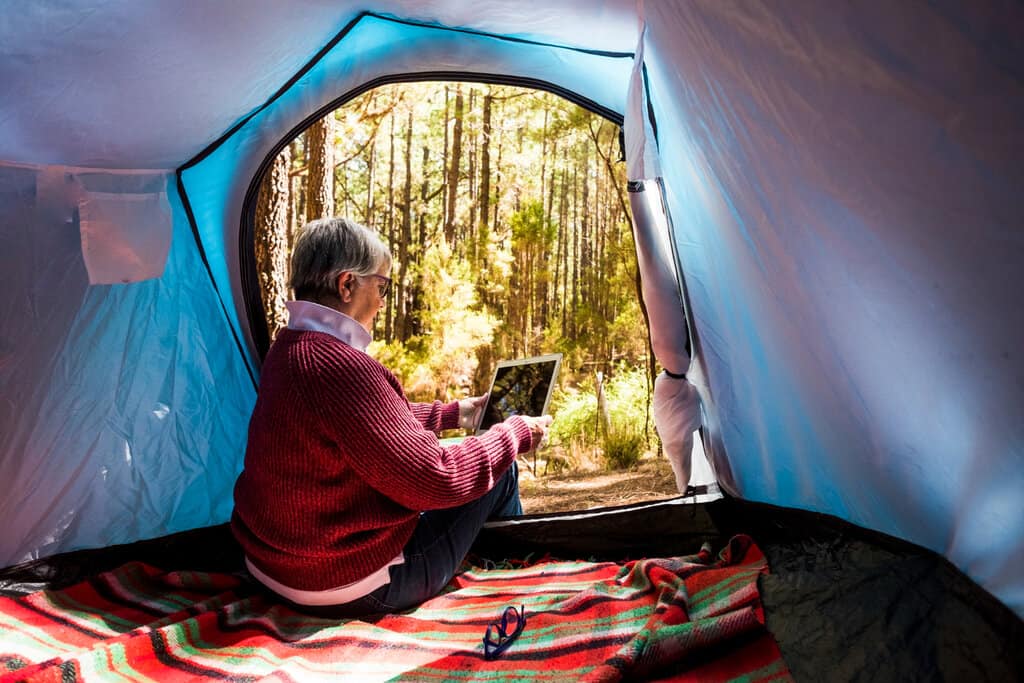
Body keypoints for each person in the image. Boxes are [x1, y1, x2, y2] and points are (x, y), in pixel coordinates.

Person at [231, 216, 551, 616]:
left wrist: (456, 414)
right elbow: (437, 478)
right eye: (381, 286)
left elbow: (363, 422)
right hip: (348, 586)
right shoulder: (342, 365)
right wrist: (515, 432)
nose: (383, 301)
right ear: (347, 284)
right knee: (502, 469)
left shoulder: (289, 350)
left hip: (274, 568)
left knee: (479, 451)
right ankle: (509, 582)